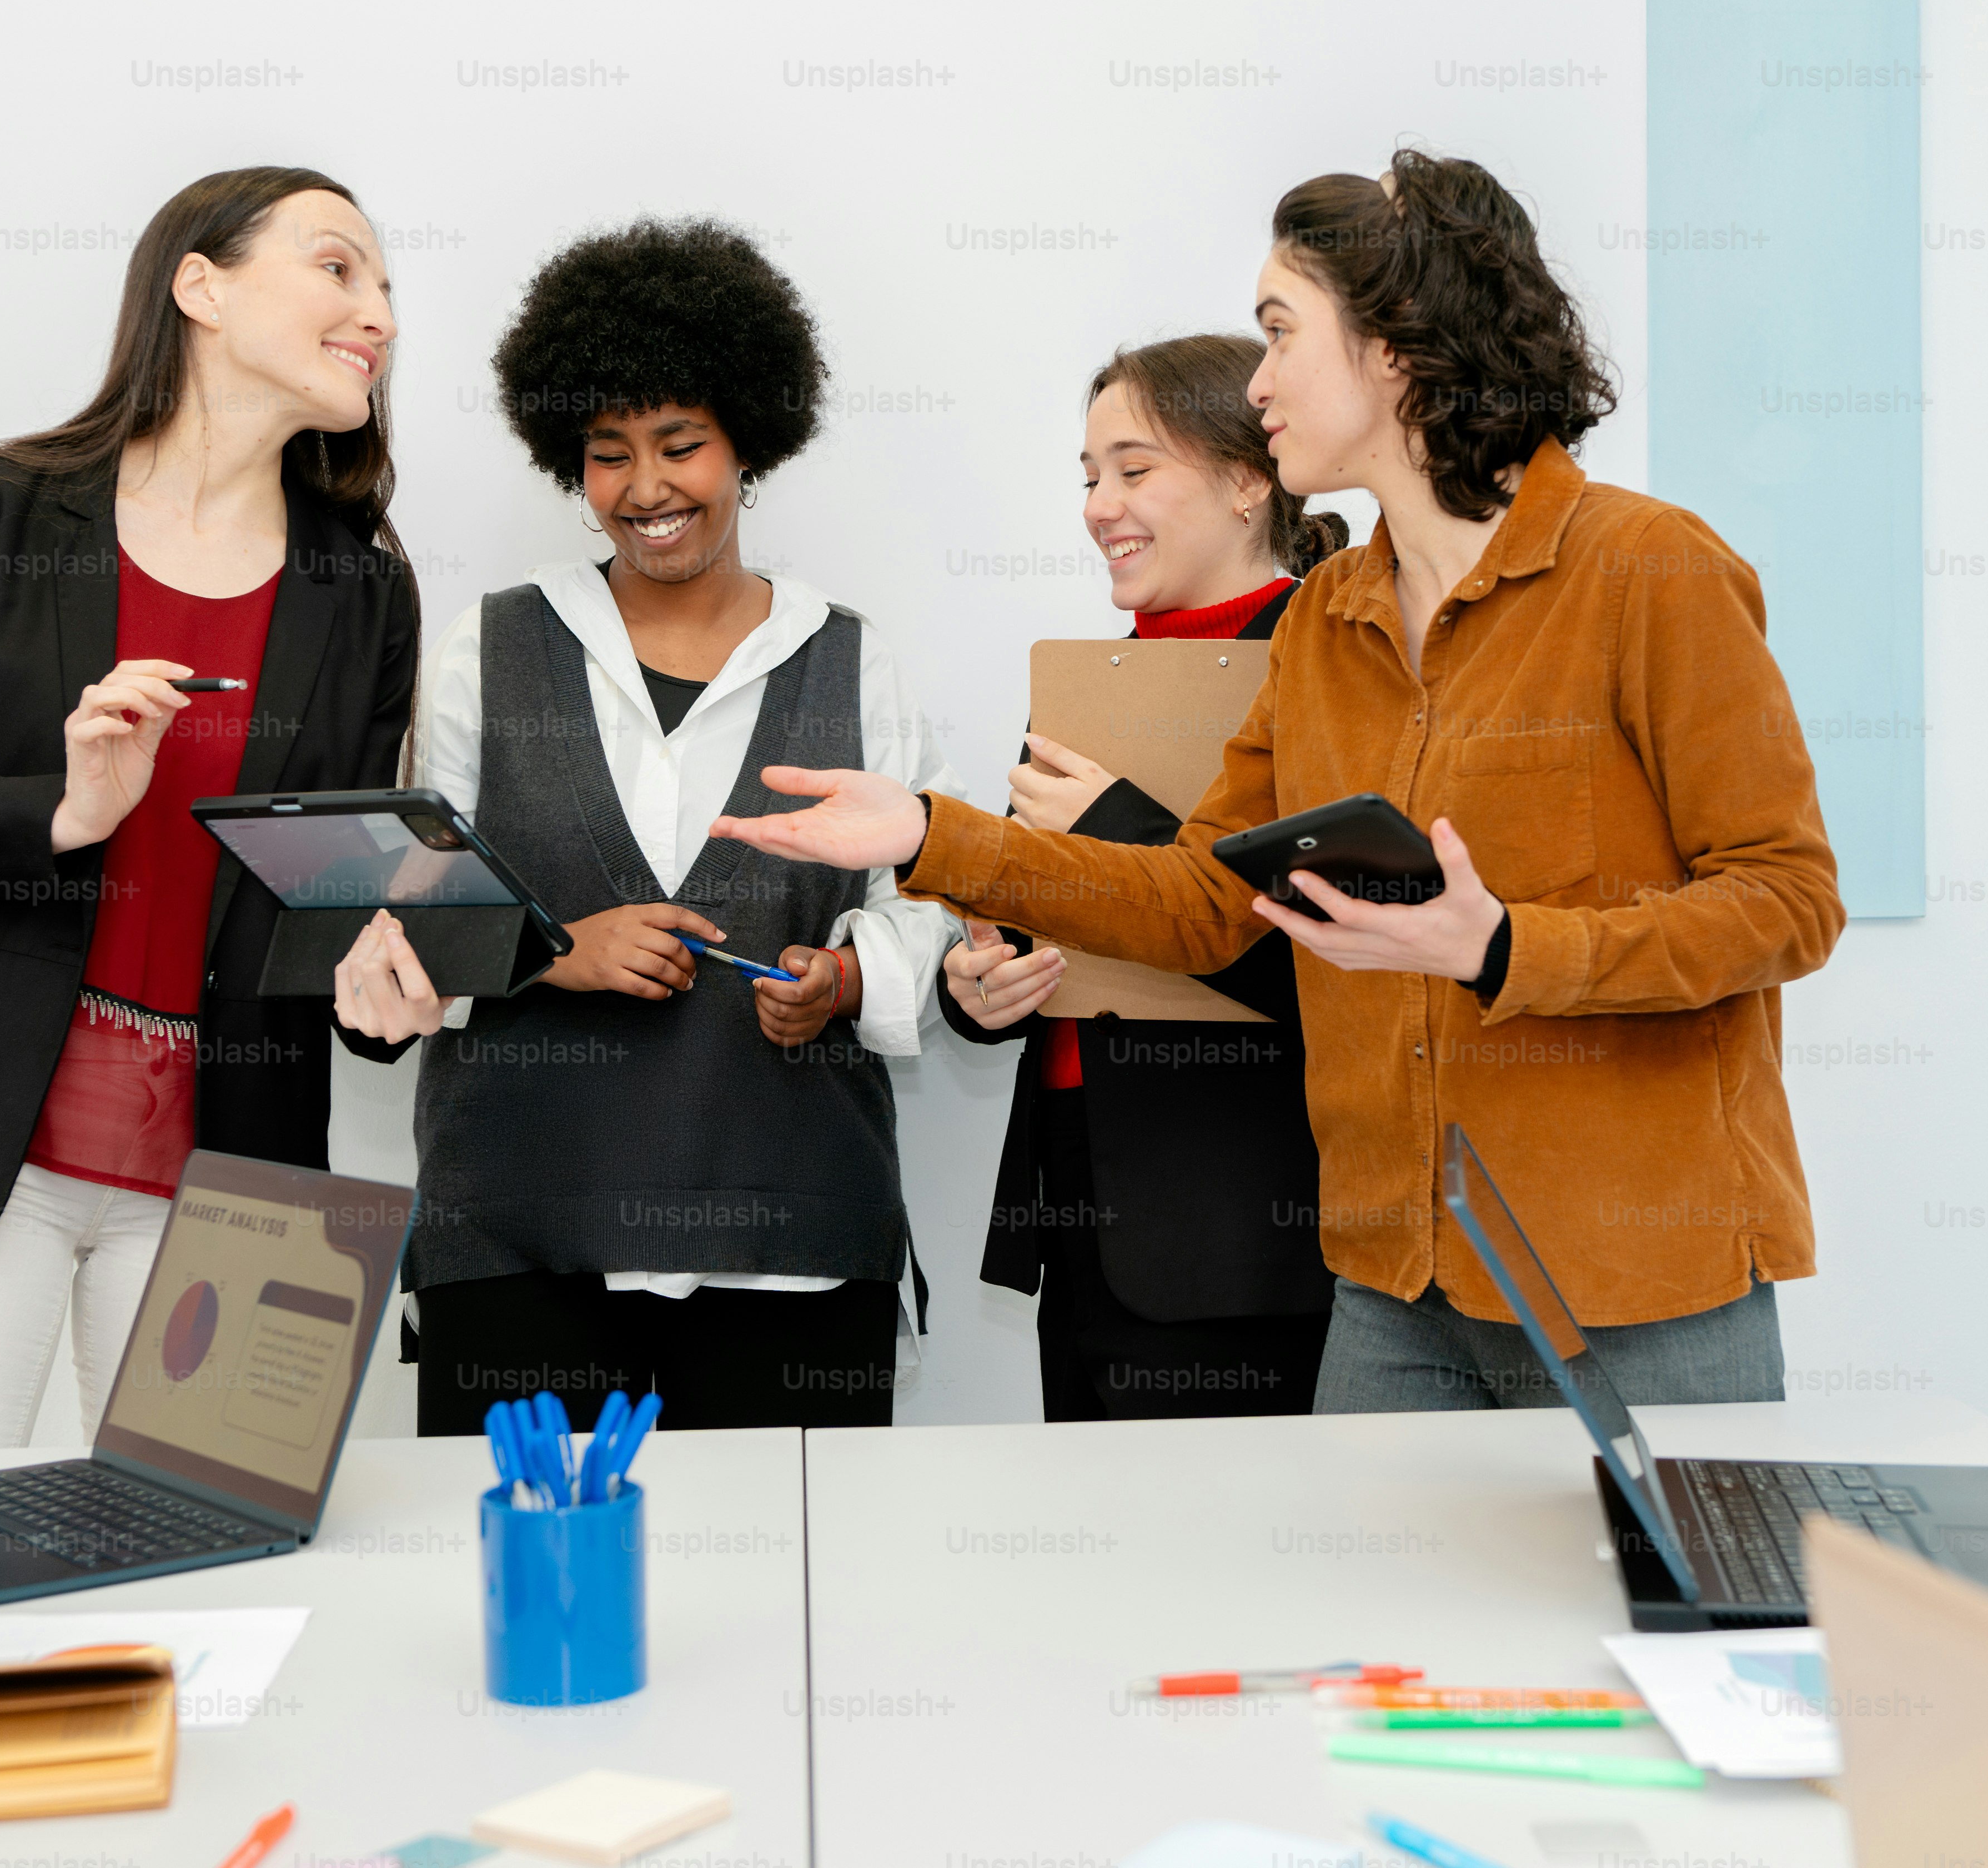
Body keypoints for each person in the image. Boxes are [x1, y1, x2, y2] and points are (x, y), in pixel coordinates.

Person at [715, 150, 1844, 1415]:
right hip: (1389, 1283)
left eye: (1276, 335)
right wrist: (933, 833)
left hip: (1636, 1283)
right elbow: (1201, 904)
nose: (1253, 385)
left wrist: (1510, 946)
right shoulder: (1326, 624)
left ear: (1394, 347)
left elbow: (1787, 900)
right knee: (1361, 1622)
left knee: (1649, 1620)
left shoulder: (1651, 572)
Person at [0, 167, 421, 1449]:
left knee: (221, 1582)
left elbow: (336, 900)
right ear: (200, 285)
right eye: (337, 268)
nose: (379, 314)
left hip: (246, 1184)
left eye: (386, 286)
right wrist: (66, 812)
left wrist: (384, 991)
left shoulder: (361, 587)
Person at [330, 218, 961, 1433]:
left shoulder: (849, 655)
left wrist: (841, 979)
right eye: (608, 454)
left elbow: (925, 900)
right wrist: (555, 950)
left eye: (681, 445)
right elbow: (410, 913)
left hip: (788, 1234)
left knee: (781, 1608)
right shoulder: (491, 644)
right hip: (517, 1230)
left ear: (749, 444)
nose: (646, 488)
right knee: (525, 1589)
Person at [940, 334, 1347, 1420]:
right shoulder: (1086, 687)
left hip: (1237, 1236)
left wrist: (1118, 826)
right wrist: (975, 987)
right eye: (1086, 477)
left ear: (1245, 480)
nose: (1097, 506)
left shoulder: (1330, 663)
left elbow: (1340, 957)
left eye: (1132, 469)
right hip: (1079, 1216)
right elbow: (1020, 929)